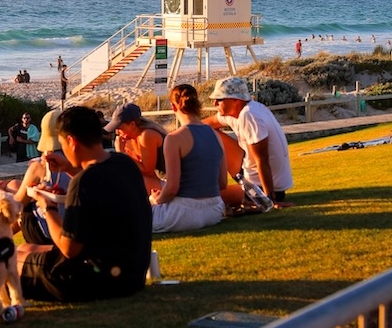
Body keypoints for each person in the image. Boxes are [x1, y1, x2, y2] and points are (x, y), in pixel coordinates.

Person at [16, 106, 152, 302]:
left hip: (96, 280)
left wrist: (48, 207)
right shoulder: (123, 163)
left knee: (8, 260)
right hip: (132, 274)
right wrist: (68, 167)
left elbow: (68, 248)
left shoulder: (83, 183)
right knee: (22, 249)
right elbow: (100, 182)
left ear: (71, 142)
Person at [149, 84, 226, 233]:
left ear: (173, 106)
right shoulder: (215, 135)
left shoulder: (174, 138)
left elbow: (172, 189)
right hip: (214, 210)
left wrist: (156, 199)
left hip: (183, 212)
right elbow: (222, 183)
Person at [205, 77, 293, 206]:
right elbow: (203, 126)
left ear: (235, 100)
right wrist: (178, 137)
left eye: (219, 99)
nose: (215, 104)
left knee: (204, 198)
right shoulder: (246, 110)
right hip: (252, 180)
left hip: (261, 189)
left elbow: (262, 159)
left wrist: (269, 199)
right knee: (209, 132)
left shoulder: (249, 115)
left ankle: (263, 196)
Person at [9, 109, 72, 245]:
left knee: (21, 206)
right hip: (76, 228)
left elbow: (18, 202)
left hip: (48, 232)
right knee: (14, 185)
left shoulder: (42, 165)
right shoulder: (80, 161)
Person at [104, 103, 166, 194]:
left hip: (174, 183)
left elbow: (147, 171)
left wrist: (122, 153)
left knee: (130, 180)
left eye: (120, 128)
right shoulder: (132, 138)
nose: (117, 132)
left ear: (132, 124)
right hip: (161, 180)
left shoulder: (146, 135)